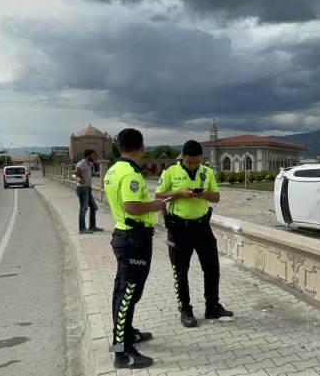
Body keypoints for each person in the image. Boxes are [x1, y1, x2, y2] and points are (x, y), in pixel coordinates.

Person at [104, 128, 165, 369]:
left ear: (119, 148)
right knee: (128, 294)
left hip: (123, 235)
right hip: (133, 238)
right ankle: (122, 352)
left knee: (122, 290)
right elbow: (132, 206)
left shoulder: (113, 170)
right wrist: (155, 205)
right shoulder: (130, 173)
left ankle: (127, 333)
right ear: (142, 147)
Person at [155, 140, 233, 328]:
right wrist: (179, 193)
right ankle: (185, 310)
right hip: (178, 228)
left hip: (202, 227)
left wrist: (205, 194)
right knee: (181, 271)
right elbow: (159, 195)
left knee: (212, 267)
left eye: (198, 162)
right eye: (190, 162)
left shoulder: (207, 173)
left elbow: (217, 197)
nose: (194, 165)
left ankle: (212, 306)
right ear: (183, 157)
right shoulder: (170, 172)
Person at [75, 149, 103, 234]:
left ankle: (92, 226)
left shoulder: (88, 164)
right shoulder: (81, 163)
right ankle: (82, 229)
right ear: (88, 156)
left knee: (93, 207)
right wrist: (82, 179)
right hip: (83, 188)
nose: (94, 157)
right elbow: (76, 171)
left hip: (87, 188)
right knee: (83, 208)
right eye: (93, 155)